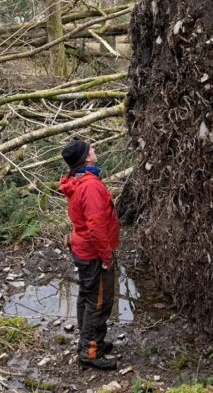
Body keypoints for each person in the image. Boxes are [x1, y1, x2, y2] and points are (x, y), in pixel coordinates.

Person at [60, 138, 120, 371]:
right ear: (86, 158)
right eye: (92, 149)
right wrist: (106, 256)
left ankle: (91, 342)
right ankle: (90, 352)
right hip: (93, 253)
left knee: (87, 297)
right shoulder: (91, 186)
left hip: (82, 250)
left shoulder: (78, 182)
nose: (95, 150)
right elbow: (96, 226)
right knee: (99, 302)